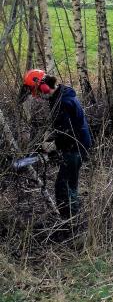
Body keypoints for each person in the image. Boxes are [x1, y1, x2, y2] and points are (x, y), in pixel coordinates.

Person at [20, 69, 92, 220]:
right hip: (77, 143)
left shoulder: (62, 102)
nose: (37, 96)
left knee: (64, 187)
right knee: (67, 184)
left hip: (75, 147)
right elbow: (65, 125)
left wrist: (52, 146)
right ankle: (71, 218)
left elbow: (68, 132)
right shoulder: (61, 95)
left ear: (44, 87)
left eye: (36, 92)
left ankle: (70, 223)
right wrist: (51, 135)